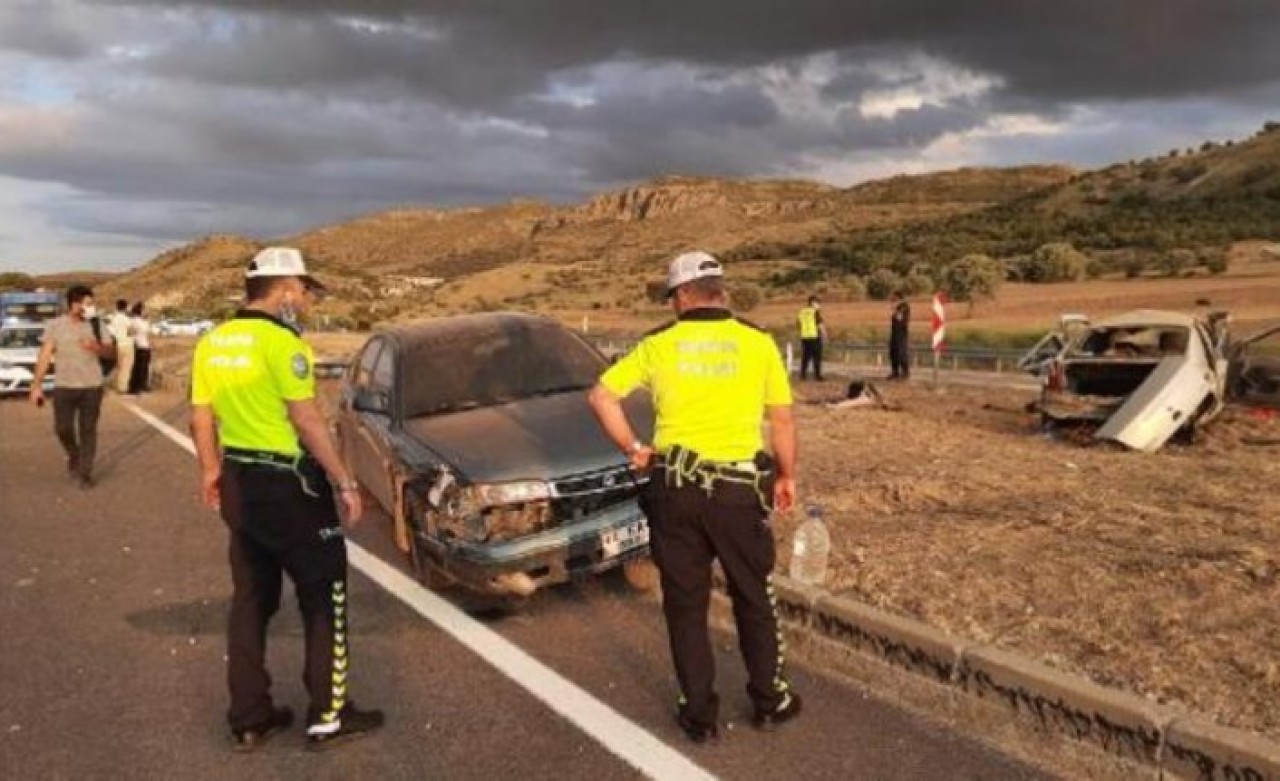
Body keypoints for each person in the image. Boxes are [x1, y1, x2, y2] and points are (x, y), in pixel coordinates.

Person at [588, 250, 802, 744]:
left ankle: (699, 715)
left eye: (672, 297)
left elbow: (601, 396)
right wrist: (787, 475)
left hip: (675, 490)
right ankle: (771, 701)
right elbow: (783, 421)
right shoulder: (757, 342)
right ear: (720, 292)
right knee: (754, 597)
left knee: (685, 606)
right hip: (736, 493)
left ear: (683, 296)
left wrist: (635, 449)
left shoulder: (658, 345)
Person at [190, 246, 384, 752]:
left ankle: (250, 717)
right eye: (302, 290)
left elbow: (201, 417)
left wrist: (211, 469)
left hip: (239, 478)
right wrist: (343, 479)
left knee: (251, 600)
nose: (305, 299)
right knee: (325, 594)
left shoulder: (213, 341)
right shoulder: (283, 343)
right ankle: (329, 713)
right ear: (282, 291)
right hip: (289, 485)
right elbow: (305, 418)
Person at [29, 285, 115, 489]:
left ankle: (85, 473)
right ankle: (74, 455)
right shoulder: (55, 325)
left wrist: (96, 348)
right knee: (62, 429)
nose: (90, 307)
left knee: (88, 431)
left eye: (91, 303)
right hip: (64, 387)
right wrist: (36, 385)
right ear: (74, 304)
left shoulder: (97, 324)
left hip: (92, 386)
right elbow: (44, 355)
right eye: (87, 303)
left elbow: (112, 354)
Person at [106, 298, 135, 393]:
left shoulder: (113, 318)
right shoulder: (126, 319)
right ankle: (122, 387)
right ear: (125, 307)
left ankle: (116, 384)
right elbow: (131, 331)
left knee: (118, 366)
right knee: (126, 367)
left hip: (117, 344)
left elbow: (110, 331)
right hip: (127, 344)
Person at [796, 295, 825, 381]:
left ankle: (803, 375)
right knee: (817, 357)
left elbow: (798, 324)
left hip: (805, 337)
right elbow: (820, 325)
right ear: (813, 303)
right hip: (815, 337)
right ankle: (818, 376)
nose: (819, 305)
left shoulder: (802, 312)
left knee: (806, 357)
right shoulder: (815, 312)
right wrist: (824, 334)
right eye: (818, 303)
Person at [127, 302, 152, 395]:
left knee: (145, 368)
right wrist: (135, 339)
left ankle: (143, 385)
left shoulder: (144, 321)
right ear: (140, 310)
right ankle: (135, 387)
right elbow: (129, 332)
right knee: (138, 368)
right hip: (139, 346)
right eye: (144, 309)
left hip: (146, 346)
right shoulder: (135, 320)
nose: (146, 311)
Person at [888, 292, 911, 380]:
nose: (891, 299)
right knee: (893, 353)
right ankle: (895, 372)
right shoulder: (898, 307)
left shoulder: (904, 306)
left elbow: (899, 317)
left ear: (898, 297)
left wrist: (894, 308)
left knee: (901, 353)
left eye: (893, 297)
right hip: (894, 333)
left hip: (901, 334)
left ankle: (905, 373)